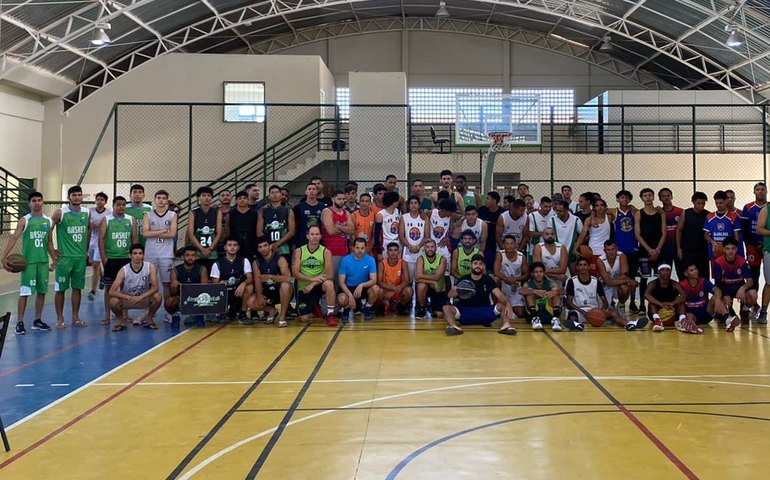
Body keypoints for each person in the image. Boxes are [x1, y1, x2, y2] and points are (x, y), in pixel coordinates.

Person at [2, 191, 55, 334]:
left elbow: (49, 242)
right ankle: (20, 322)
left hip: (43, 262)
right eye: (34, 200)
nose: (37, 203)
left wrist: (54, 259)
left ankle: (37, 321)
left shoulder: (49, 221)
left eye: (39, 200)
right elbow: (13, 238)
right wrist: (4, 256)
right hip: (29, 263)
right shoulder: (24, 220)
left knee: (42, 292)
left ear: (42, 202)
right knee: (25, 293)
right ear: (29, 204)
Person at [564, 258, 646, 331]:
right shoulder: (572, 281)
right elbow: (569, 302)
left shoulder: (595, 281)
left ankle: (629, 324)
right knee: (572, 314)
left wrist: (602, 310)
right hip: (580, 311)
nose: (583, 267)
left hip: (594, 310)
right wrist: (583, 312)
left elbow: (605, 301)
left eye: (585, 265)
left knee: (613, 313)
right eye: (580, 265)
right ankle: (577, 325)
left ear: (589, 267)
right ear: (577, 267)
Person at [444, 254, 514, 336]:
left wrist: (507, 303)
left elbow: (499, 295)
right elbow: (449, 295)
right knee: (446, 308)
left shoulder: (488, 280)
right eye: (475, 263)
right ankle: (453, 327)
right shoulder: (463, 279)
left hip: (485, 312)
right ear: (471, 265)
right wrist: (457, 292)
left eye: (480, 264)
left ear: (483, 266)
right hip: (465, 312)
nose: (478, 266)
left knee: (503, 304)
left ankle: (506, 326)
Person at [51, 185, 90, 328]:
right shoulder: (60, 212)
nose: (77, 197)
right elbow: (49, 229)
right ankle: (60, 318)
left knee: (77, 288)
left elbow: (89, 229)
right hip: (64, 257)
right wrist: (52, 249)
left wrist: (86, 250)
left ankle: (75, 317)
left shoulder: (86, 212)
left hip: (79, 258)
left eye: (79, 195)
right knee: (60, 289)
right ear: (69, 197)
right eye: (74, 195)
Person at [99, 196, 138, 326]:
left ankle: (125, 314)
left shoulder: (130, 220)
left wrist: (134, 257)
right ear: (113, 205)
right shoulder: (107, 220)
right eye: (118, 205)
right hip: (112, 259)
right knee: (109, 288)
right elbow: (101, 239)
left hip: (126, 259)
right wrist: (104, 258)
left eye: (123, 205)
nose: (121, 207)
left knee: (126, 288)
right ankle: (107, 315)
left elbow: (134, 239)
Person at [108, 244, 161, 332]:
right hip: (128, 300)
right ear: (130, 255)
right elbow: (111, 291)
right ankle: (120, 321)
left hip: (143, 299)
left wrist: (141, 297)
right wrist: (127, 297)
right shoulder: (124, 270)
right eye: (135, 253)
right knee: (113, 301)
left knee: (158, 296)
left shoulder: (150, 267)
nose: (137, 256)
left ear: (143, 255)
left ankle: (149, 318)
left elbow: (156, 287)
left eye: (140, 253)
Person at [142, 189, 177, 321]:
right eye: (159, 198)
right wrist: (163, 230)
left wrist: (153, 232)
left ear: (167, 201)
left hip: (166, 255)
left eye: (163, 198)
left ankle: (169, 312)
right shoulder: (148, 215)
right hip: (150, 254)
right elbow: (145, 233)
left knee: (166, 284)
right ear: (155, 200)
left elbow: (172, 234)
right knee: (148, 284)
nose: (161, 200)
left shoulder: (172, 215)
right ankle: (148, 311)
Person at [292, 225, 337, 326]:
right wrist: (311, 279)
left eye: (317, 234)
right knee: (304, 319)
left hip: (319, 285)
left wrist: (313, 283)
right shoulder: (299, 251)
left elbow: (329, 275)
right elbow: (295, 273)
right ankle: (314, 305)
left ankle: (330, 315)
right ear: (307, 236)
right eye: (312, 234)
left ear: (321, 236)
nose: (314, 237)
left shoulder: (326, 252)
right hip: (304, 287)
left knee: (329, 284)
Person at [713, 237, 756, 331]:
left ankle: (744, 310)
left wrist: (743, 288)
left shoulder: (742, 261)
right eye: (728, 249)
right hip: (725, 289)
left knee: (753, 294)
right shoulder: (718, 262)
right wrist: (724, 295)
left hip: (738, 288)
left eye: (733, 248)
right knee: (716, 298)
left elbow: (750, 281)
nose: (730, 251)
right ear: (724, 249)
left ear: (736, 249)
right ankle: (726, 315)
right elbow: (717, 284)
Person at [634, 188, 665, 313]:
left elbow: (664, 232)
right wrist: (649, 250)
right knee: (644, 279)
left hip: (658, 250)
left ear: (653, 197)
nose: (647, 197)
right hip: (644, 251)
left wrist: (657, 249)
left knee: (661, 278)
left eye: (650, 195)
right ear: (641, 198)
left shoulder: (660, 213)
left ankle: (659, 303)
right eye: (645, 195)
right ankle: (642, 304)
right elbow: (637, 234)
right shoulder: (639, 213)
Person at [251, 236, 293, 327]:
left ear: (270, 246)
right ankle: (271, 311)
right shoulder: (256, 262)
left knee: (286, 286)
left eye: (265, 245)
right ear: (258, 249)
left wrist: (270, 276)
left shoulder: (280, 259)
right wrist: (259, 295)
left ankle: (282, 317)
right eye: (260, 247)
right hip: (267, 293)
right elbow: (257, 281)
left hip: (280, 291)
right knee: (250, 301)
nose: (263, 248)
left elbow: (288, 278)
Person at [741, 182, 767, 321]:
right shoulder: (748, 207)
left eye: (763, 189)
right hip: (753, 246)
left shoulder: (769, 206)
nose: (760, 191)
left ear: (766, 191)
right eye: (758, 189)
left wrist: (764, 242)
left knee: (768, 278)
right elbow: (745, 229)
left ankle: (764, 308)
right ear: (754, 192)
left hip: (768, 245)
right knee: (754, 276)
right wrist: (756, 243)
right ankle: (752, 305)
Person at [210, 238, 253, 322]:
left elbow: (250, 278)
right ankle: (222, 312)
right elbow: (214, 283)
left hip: (238, 292)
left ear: (238, 247)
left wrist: (243, 283)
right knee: (218, 287)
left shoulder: (244, 261)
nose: (232, 247)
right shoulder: (217, 264)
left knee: (250, 287)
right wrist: (219, 283)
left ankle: (242, 313)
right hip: (224, 293)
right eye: (229, 245)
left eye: (235, 245)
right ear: (225, 247)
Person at [337, 238, 380, 321]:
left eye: (362, 248)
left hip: (362, 288)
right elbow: (341, 282)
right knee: (342, 299)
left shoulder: (371, 260)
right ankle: (346, 309)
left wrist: (362, 285)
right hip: (348, 287)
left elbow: (374, 280)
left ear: (366, 248)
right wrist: (350, 295)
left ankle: (367, 308)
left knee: (376, 289)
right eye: (357, 248)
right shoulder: (345, 260)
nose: (360, 250)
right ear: (353, 248)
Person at [165, 246, 209, 325]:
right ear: (183, 256)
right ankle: (175, 316)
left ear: (196, 257)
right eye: (187, 255)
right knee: (169, 302)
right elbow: (172, 293)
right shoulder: (175, 271)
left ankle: (198, 315)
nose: (190, 258)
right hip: (181, 299)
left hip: (198, 298)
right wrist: (173, 286)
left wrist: (193, 300)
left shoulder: (202, 269)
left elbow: (204, 289)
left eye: (193, 255)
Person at [678, 263, 727, 333]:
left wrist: (718, 301)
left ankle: (727, 318)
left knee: (717, 296)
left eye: (695, 269)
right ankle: (691, 326)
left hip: (706, 313)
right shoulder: (682, 285)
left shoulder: (703, 281)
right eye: (692, 270)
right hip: (692, 315)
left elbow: (717, 290)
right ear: (686, 274)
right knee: (685, 308)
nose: (695, 271)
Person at [703, 190, 741, 277]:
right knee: (717, 278)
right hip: (715, 251)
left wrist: (734, 249)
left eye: (721, 202)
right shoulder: (709, 216)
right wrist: (713, 242)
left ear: (726, 201)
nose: (718, 205)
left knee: (730, 278)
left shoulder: (733, 217)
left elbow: (736, 236)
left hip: (729, 253)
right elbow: (705, 234)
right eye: (716, 203)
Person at [595, 239, 637, 316]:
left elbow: (624, 276)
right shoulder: (600, 260)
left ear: (617, 249)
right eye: (608, 250)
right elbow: (608, 282)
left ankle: (620, 305)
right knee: (604, 314)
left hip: (617, 285)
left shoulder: (622, 256)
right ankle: (610, 306)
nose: (611, 252)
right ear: (604, 250)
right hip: (604, 287)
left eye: (613, 249)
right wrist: (628, 280)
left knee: (625, 289)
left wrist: (612, 281)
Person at [322, 190, 355, 282]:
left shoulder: (346, 213)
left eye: (344, 199)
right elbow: (331, 231)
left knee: (341, 280)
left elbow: (352, 230)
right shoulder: (327, 212)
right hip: (331, 252)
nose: (342, 201)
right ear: (333, 199)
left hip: (344, 252)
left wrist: (338, 226)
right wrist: (345, 228)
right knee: (330, 280)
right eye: (339, 199)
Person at [676, 191, 710, 281]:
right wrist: (679, 248)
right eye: (699, 203)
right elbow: (679, 230)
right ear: (693, 202)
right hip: (688, 252)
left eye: (703, 203)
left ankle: (704, 295)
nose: (701, 205)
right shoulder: (686, 213)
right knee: (686, 279)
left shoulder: (708, 215)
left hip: (702, 252)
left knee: (703, 278)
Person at [494, 234, 528, 321]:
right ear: (503, 245)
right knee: (495, 279)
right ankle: (495, 304)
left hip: (516, 285)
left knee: (520, 313)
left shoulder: (521, 256)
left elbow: (526, 274)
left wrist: (515, 280)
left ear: (515, 245)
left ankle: (510, 311)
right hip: (503, 283)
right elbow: (496, 272)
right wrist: (508, 280)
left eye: (511, 243)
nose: (509, 246)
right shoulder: (500, 254)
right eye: (507, 244)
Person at [187, 186, 222, 272]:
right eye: (203, 195)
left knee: (212, 276)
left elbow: (219, 233)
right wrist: (202, 249)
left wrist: (210, 249)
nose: (206, 198)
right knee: (199, 276)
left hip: (212, 252)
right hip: (198, 252)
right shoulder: (193, 212)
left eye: (209, 195)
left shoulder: (217, 212)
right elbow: (190, 233)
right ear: (199, 198)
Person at [257, 184, 295, 263]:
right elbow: (258, 232)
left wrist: (277, 244)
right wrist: (269, 245)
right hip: (267, 249)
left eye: (277, 192)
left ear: (281, 196)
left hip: (283, 248)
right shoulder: (263, 211)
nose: (274, 194)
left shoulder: (288, 211)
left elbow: (291, 231)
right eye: (272, 192)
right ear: (269, 196)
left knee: (284, 272)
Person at [519, 262, 562, 331]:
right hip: (533, 313)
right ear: (532, 274)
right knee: (529, 292)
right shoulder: (528, 283)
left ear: (544, 273)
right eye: (536, 272)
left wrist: (554, 292)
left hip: (548, 313)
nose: (539, 274)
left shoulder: (550, 283)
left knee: (556, 293)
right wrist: (535, 291)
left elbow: (563, 291)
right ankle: (535, 319)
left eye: (541, 272)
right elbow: (521, 291)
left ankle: (555, 320)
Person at [644, 264, 686, 332]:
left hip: (672, 309)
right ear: (658, 272)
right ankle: (657, 321)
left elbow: (683, 295)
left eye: (667, 270)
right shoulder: (652, 283)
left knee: (681, 301)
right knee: (651, 303)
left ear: (670, 272)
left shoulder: (675, 284)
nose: (665, 272)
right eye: (662, 270)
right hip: (657, 310)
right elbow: (646, 295)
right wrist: (660, 304)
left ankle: (682, 321)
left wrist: (672, 303)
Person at [574, 197, 612, 268]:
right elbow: (583, 234)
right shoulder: (589, 220)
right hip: (592, 250)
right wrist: (575, 248)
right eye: (597, 206)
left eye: (601, 205)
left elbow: (617, 210)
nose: (599, 207)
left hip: (606, 251)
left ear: (605, 207)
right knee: (593, 274)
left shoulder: (609, 217)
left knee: (605, 274)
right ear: (594, 208)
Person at [414, 239, 447, 319]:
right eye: (428, 247)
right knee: (421, 286)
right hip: (427, 287)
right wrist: (433, 281)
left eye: (432, 247)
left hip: (438, 289)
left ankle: (431, 307)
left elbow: (437, 277)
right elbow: (418, 277)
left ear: (436, 248)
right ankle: (422, 308)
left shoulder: (442, 259)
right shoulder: (420, 259)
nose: (430, 249)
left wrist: (433, 280)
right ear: (424, 248)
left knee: (439, 315)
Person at [87, 191, 110, 301]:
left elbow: (107, 227)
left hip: (101, 241)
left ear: (105, 202)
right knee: (93, 264)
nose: (99, 201)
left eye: (102, 200)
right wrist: (91, 226)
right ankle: (102, 278)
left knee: (96, 264)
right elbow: (88, 225)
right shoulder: (90, 211)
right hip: (91, 239)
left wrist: (100, 226)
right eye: (98, 199)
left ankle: (93, 291)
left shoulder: (108, 213)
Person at [378, 242, 413, 315]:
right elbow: (379, 282)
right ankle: (382, 305)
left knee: (409, 290)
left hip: (397, 290)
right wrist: (392, 288)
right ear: (387, 252)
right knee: (378, 291)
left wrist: (397, 288)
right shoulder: (382, 263)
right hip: (386, 291)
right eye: (390, 250)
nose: (393, 253)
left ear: (399, 252)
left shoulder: (403, 263)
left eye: (395, 250)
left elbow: (407, 280)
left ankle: (400, 306)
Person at [400, 195, 429, 281]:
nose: (413, 205)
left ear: (419, 205)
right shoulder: (404, 217)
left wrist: (418, 246)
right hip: (408, 253)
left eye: (415, 203)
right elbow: (401, 235)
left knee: (419, 281)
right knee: (407, 280)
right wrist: (410, 246)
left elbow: (427, 236)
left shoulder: (424, 218)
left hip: (421, 252)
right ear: (408, 206)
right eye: (411, 203)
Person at [550, 199, 582, 272]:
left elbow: (583, 235)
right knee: (559, 275)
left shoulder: (576, 220)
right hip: (557, 253)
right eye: (556, 210)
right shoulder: (551, 219)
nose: (557, 212)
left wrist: (576, 246)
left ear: (567, 210)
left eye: (560, 211)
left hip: (571, 252)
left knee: (574, 274)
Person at [293, 182, 326, 248]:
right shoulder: (299, 207)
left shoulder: (323, 207)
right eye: (309, 189)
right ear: (306, 192)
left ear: (317, 191)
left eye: (314, 189)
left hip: (318, 241)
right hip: (302, 241)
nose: (311, 191)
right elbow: (294, 225)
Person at [228, 191, 259, 261]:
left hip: (251, 246)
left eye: (244, 198)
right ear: (236, 201)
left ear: (248, 200)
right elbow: (228, 231)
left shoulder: (254, 214)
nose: (242, 200)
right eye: (240, 198)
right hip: (235, 246)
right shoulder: (231, 214)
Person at [477, 191, 503, 271]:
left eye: (488, 199)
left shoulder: (502, 213)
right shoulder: (482, 210)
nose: (485, 201)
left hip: (494, 244)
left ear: (494, 201)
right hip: (480, 242)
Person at [658, 188, 683, 268]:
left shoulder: (680, 211)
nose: (666, 197)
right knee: (665, 272)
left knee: (681, 273)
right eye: (663, 196)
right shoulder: (658, 213)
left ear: (672, 197)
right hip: (664, 248)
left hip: (678, 247)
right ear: (660, 198)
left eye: (668, 195)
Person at [374, 191, 401, 260]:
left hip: (397, 243)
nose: (398, 202)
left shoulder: (397, 211)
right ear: (393, 202)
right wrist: (379, 252)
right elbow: (376, 235)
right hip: (385, 245)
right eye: (397, 201)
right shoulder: (381, 215)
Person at [526, 196, 553, 262]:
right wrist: (546, 233)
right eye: (545, 206)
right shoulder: (532, 215)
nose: (548, 209)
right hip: (534, 247)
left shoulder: (553, 216)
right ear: (540, 205)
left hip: (549, 248)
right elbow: (530, 233)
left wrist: (540, 233)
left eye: (549, 207)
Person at [216, 189, 232, 258]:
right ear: (219, 198)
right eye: (222, 195)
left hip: (231, 243)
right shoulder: (214, 211)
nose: (225, 197)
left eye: (227, 195)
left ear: (231, 197)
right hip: (217, 244)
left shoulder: (235, 210)